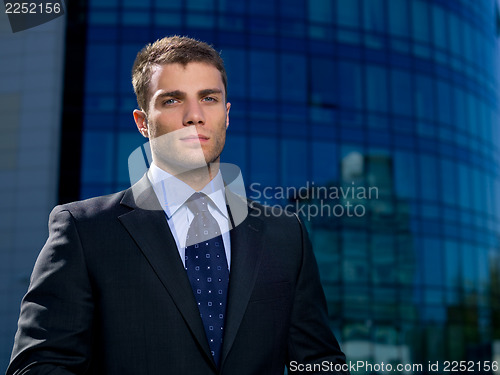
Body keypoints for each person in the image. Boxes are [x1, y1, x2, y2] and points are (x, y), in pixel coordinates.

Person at [6, 36, 348, 375]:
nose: (194, 116)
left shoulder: (286, 235)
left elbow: (318, 363)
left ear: (226, 115)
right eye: (172, 100)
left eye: (209, 98)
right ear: (142, 122)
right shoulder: (84, 230)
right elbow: (38, 367)